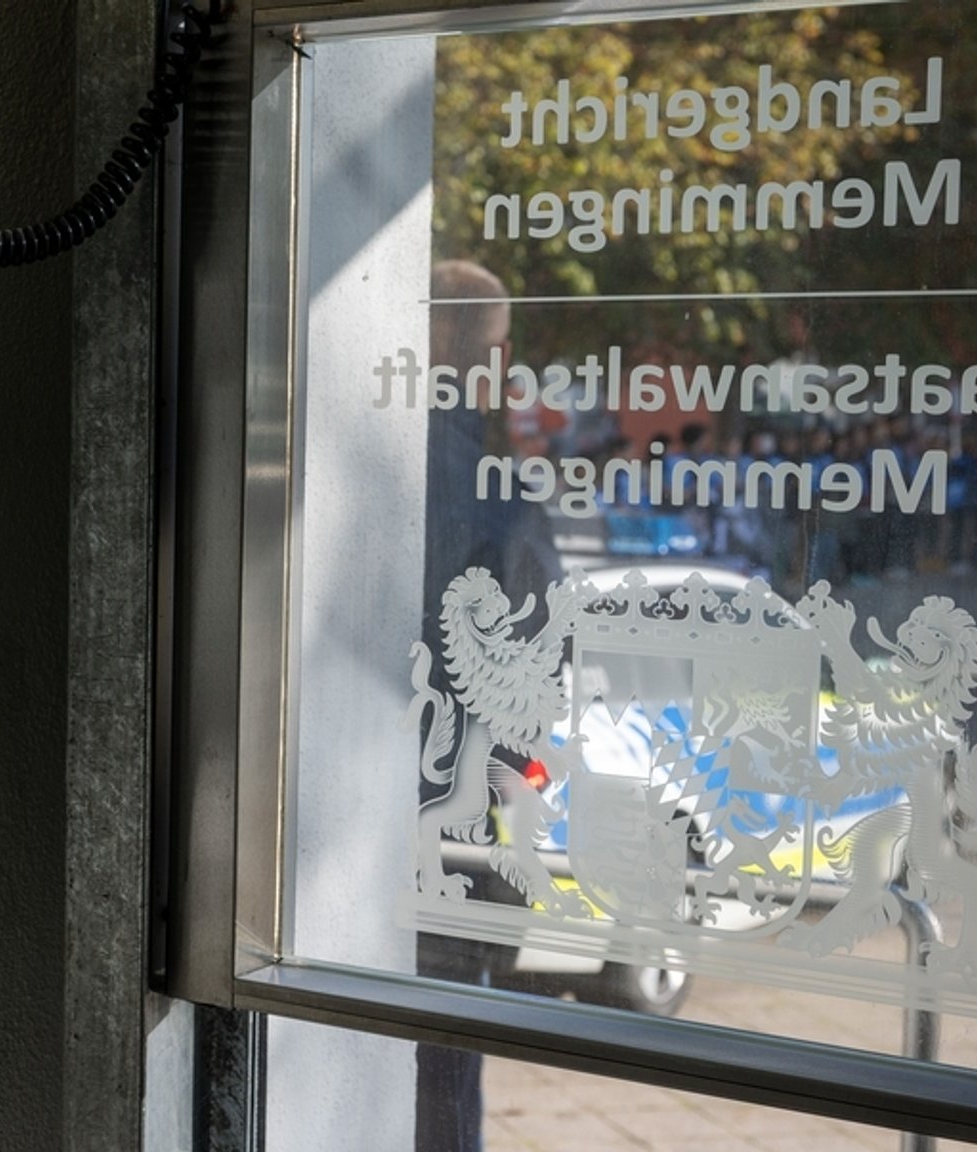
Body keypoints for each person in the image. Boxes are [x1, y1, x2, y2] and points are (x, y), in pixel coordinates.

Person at [417, 259, 558, 1152]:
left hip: (379, 786)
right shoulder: (486, 477)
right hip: (452, 804)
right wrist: (525, 771)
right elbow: (545, 640)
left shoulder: (409, 451)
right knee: (442, 1062)